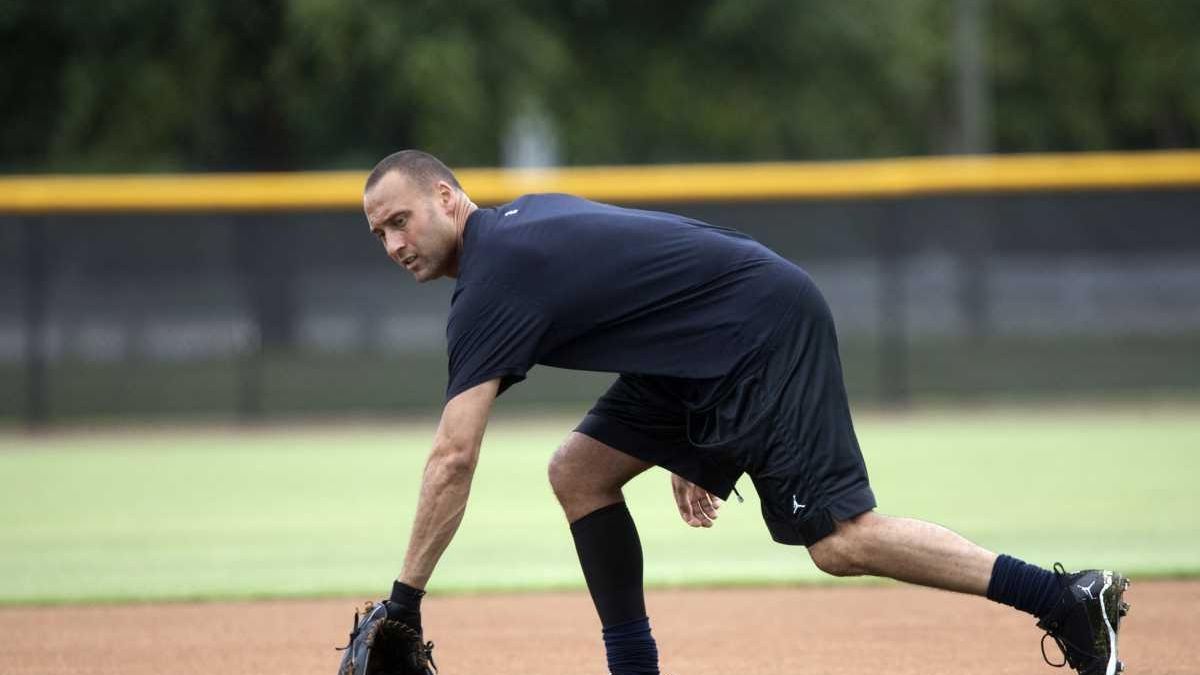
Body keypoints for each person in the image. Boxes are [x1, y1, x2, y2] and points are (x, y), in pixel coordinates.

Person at [354, 149, 1129, 675]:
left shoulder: (493, 278)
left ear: (447, 198)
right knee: (580, 470)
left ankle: (1065, 600)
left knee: (839, 541)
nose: (393, 242)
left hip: (759, 328)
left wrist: (406, 602)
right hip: (710, 337)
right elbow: (648, 288)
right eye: (378, 232)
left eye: (401, 219)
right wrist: (695, 440)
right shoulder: (517, 237)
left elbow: (453, 456)